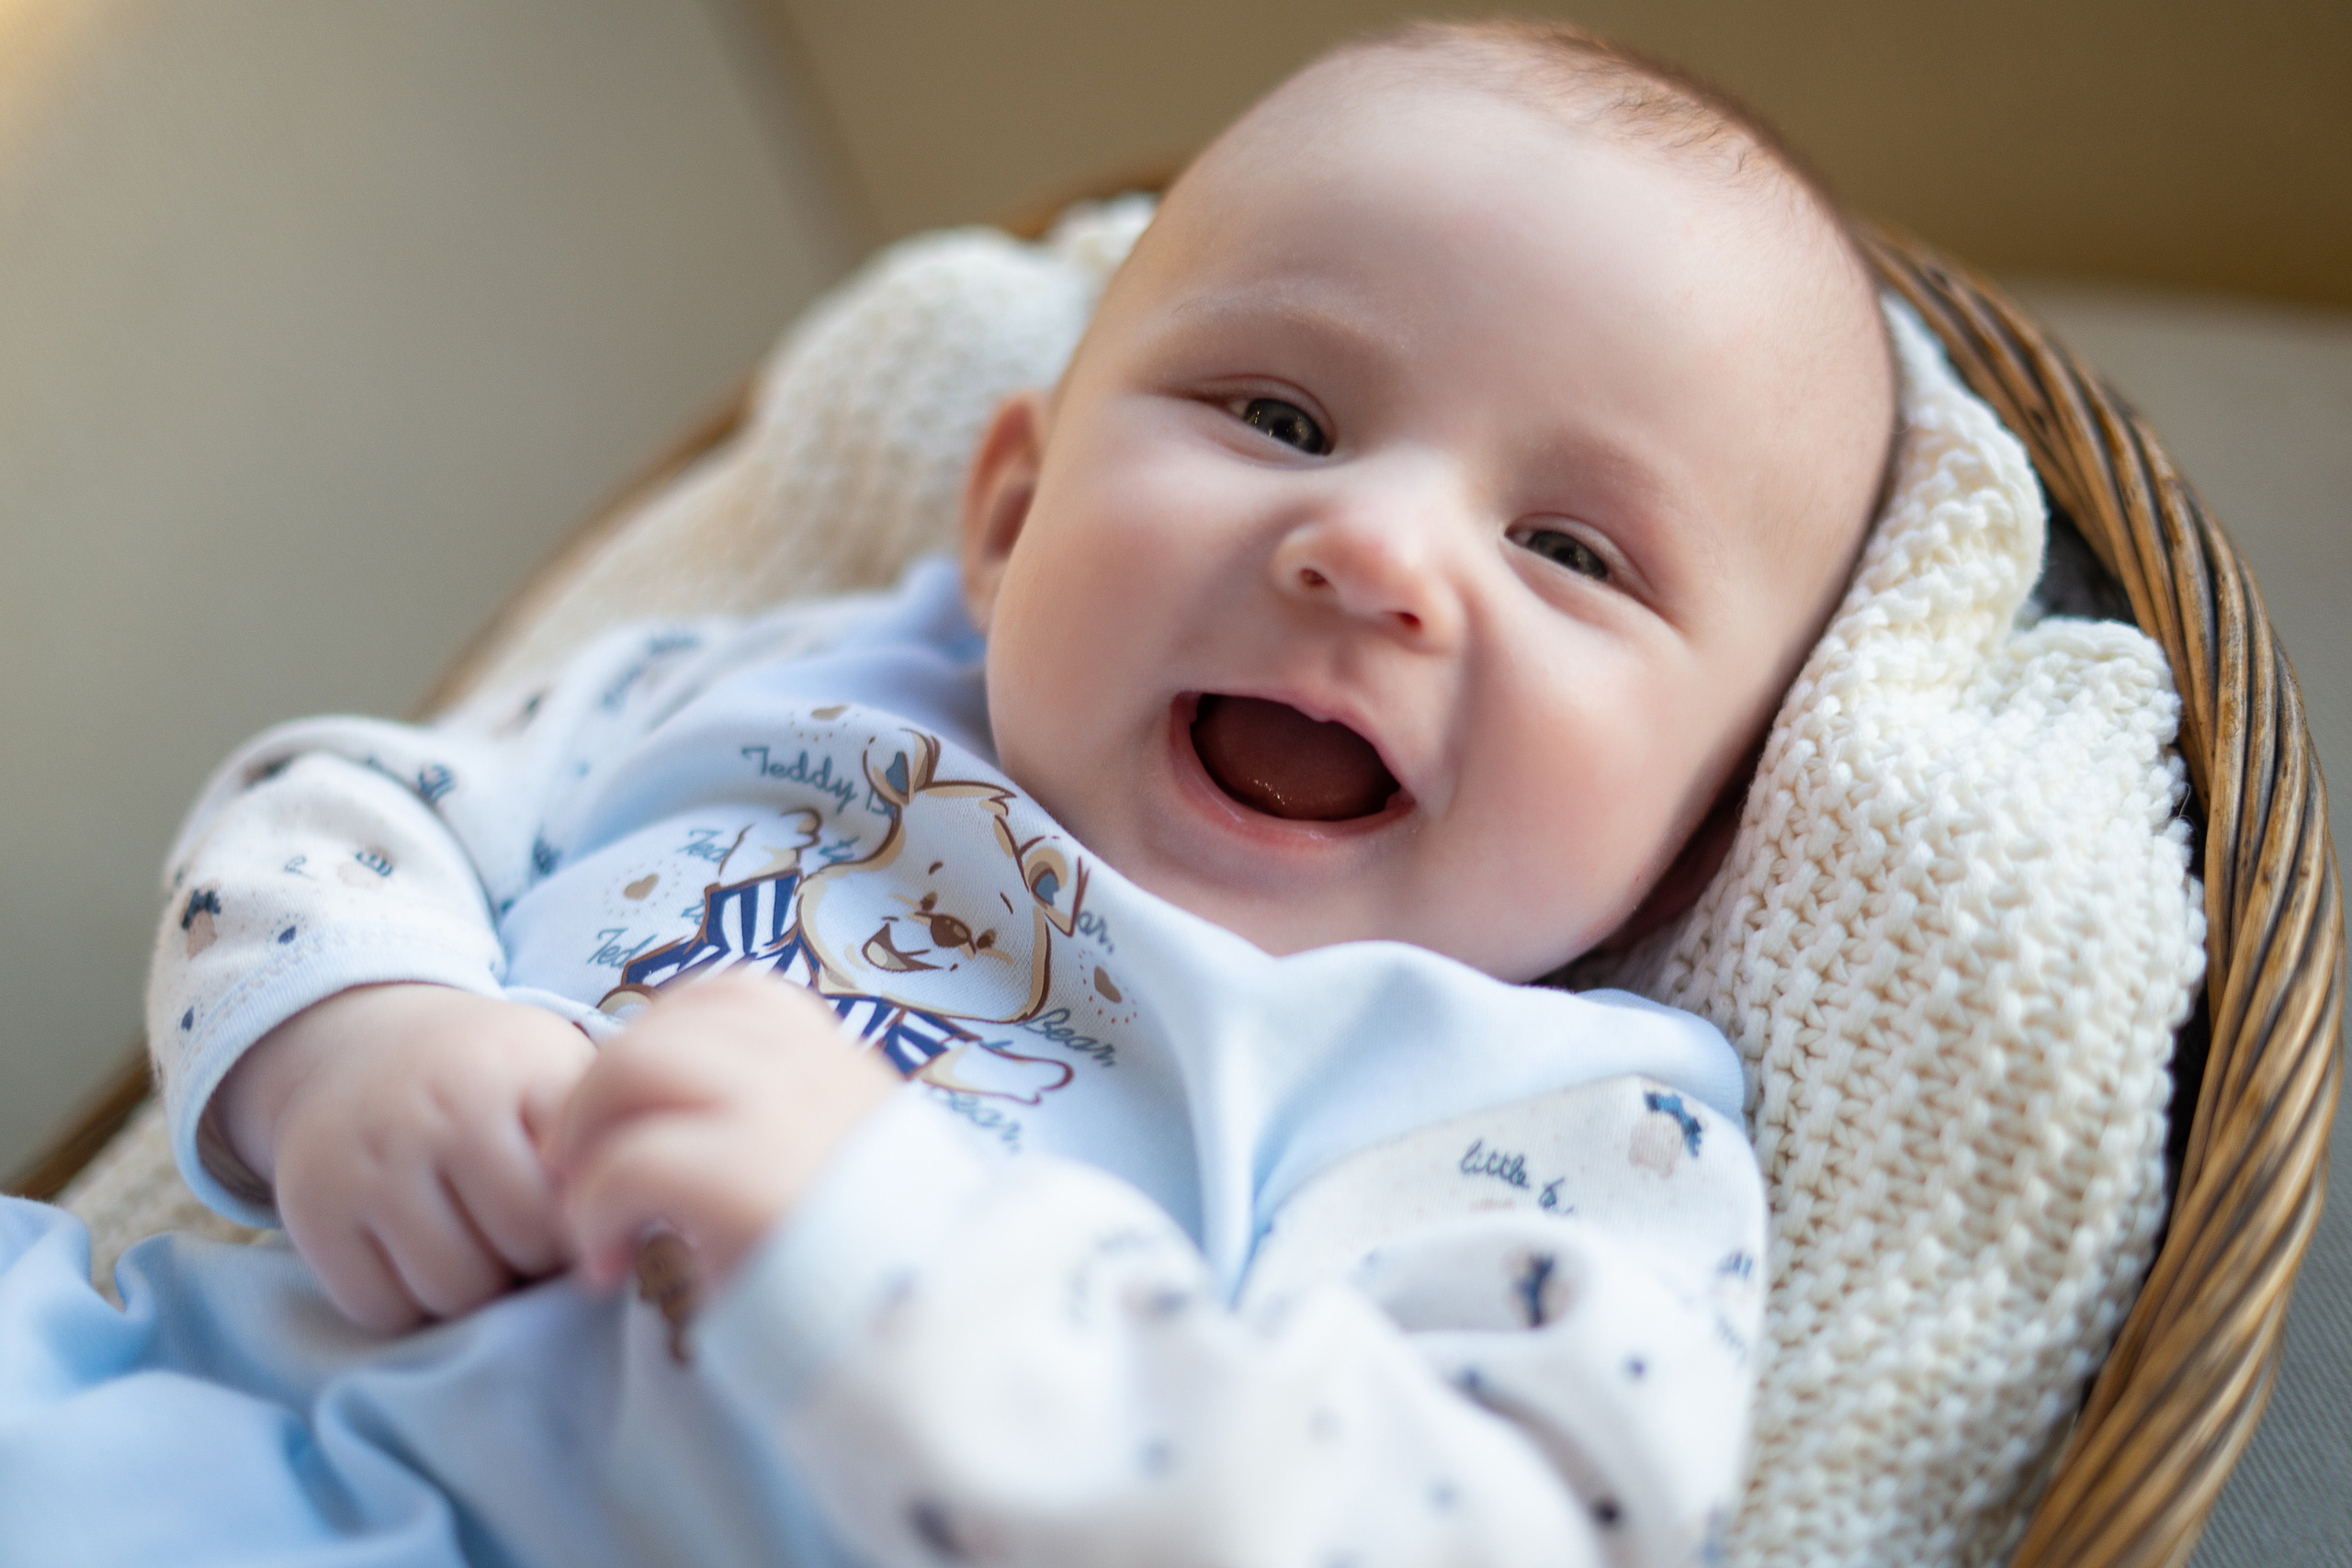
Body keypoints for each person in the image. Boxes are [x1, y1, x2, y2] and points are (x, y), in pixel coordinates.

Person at [9, 19, 1895, 1568]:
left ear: (1708, 818)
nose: (1372, 545)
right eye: (1278, 417)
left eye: (1569, 548)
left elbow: (1500, 1523)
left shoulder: (1533, 1112)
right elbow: (334, 807)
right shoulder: (786, 679)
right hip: (178, 1416)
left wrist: (899, 1257)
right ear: (1006, 515)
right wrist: (355, 1033)